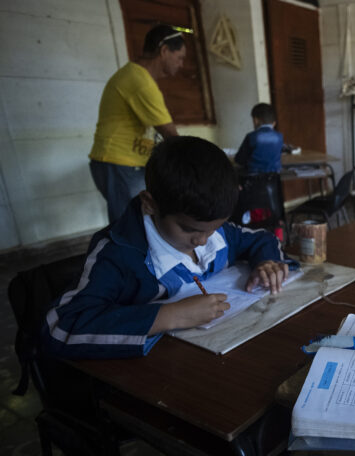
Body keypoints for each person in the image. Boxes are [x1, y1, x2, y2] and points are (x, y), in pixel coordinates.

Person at [44, 137, 291, 359]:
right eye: (189, 230)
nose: (203, 241)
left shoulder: (212, 230)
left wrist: (265, 262)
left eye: (214, 229)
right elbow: (63, 325)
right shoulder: (118, 255)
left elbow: (260, 238)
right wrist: (170, 316)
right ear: (150, 204)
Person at [89, 24, 185, 223]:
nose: (182, 64)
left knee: (140, 220)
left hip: (125, 162)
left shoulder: (134, 75)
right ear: (164, 50)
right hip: (119, 162)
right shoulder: (139, 80)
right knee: (130, 223)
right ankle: (127, 255)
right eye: (180, 57)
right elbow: (170, 135)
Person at [234, 103, 284, 174]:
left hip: (253, 180)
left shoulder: (251, 136)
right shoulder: (279, 136)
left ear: (255, 120)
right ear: (274, 123)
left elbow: (239, 159)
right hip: (273, 181)